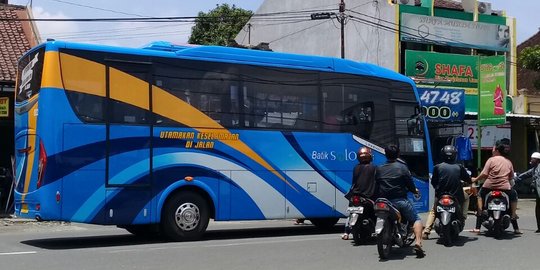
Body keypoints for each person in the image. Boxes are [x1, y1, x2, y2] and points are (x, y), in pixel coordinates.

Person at [375, 144, 425, 258]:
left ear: (385, 154)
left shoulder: (379, 168)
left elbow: (376, 184)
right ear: (398, 154)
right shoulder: (402, 168)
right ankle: (418, 242)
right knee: (416, 219)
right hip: (399, 201)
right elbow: (410, 185)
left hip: (383, 201)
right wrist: (414, 190)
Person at [422, 145, 472, 239]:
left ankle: (426, 231)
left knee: (433, 211)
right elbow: (468, 179)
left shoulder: (437, 167)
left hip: (440, 195)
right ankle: (463, 217)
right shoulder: (459, 167)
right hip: (457, 196)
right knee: (467, 198)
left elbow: (434, 182)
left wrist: (438, 189)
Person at [471, 140, 520, 234]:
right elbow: (511, 177)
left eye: (493, 148)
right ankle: (515, 222)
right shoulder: (508, 162)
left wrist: (475, 179)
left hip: (489, 186)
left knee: (480, 195)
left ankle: (478, 222)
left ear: (496, 150)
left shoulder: (491, 160)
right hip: (505, 187)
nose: (492, 150)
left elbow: (484, 174)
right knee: (513, 195)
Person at [342, 147, 377, 240]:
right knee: (377, 212)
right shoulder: (374, 168)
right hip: (369, 196)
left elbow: (354, 182)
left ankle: (346, 232)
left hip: (356, 195)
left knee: (351, 212)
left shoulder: (356, 168)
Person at [514, 152, 540, 233]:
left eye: (533, 159)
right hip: (538, 195)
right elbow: (524, 175)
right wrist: (514, 177)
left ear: (538, 160)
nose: (531, 160)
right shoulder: (534, 169)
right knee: (538, 210)